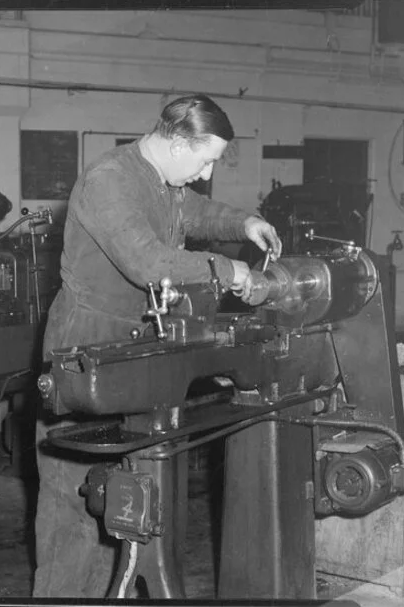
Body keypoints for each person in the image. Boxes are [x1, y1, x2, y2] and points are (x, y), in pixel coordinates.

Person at [33, 94, 283, 598]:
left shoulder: (164, 181)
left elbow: (196, 212)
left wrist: (243, 223)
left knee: (135, 483)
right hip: (87, 346)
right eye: (205, 158)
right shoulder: (110, 180)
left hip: (139, 342)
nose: (207, 171)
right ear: (175, 140)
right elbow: (148, 261)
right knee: (75, 497)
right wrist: (228, 271)